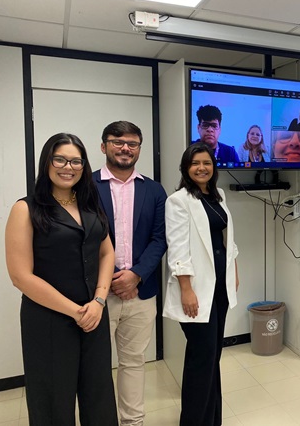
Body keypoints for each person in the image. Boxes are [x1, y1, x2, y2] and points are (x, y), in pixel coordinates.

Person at [5, 133, 118, 426]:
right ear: (47, 162)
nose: (68, 167)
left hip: (94, 314)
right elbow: (20, 276)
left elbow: (107, 252)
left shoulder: (90, 204)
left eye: (76, 161)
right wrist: (76, 311)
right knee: (53, 402)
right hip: (49, 321)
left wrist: (98, 301)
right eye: (60, 159)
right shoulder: (26, 209)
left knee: (99, 396)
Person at [93, 121, 167, 425]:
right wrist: (111, 281)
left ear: (139, 149)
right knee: (95, 366)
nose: (125, 148)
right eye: (117, 141)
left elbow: (159, 239)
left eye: (132, 143)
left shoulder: (154, 189)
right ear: (104, 146)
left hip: (141, 293)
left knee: (134, 362)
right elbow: (81, 239)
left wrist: (136, 275)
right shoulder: (85, 186)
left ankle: (133, 422)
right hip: (98, 295)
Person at [163, 142, 239, 426]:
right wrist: (186, 289)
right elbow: (178, 249)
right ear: (186, 168)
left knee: (212, 356)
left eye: (206, 162)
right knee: (201, 357)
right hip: (197, 289)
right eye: (195, 163)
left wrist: (234, 271)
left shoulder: (218, 195)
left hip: (220, 287)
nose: (201, 168)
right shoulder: (178, 201)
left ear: (213, 166)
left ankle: (212, 419)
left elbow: (227, 240)